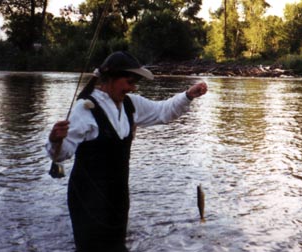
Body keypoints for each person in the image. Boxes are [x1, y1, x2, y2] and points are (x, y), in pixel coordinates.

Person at [46, 51, 207, 252]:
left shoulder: (131, 104)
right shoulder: (85, 108)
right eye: (129, 81)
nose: (132, 87)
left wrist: (188, 96)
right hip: (88, 198)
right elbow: (61, 155)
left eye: (134, 83)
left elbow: (162, 112)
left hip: (118, 197)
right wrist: (55, 139)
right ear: (111, 79)